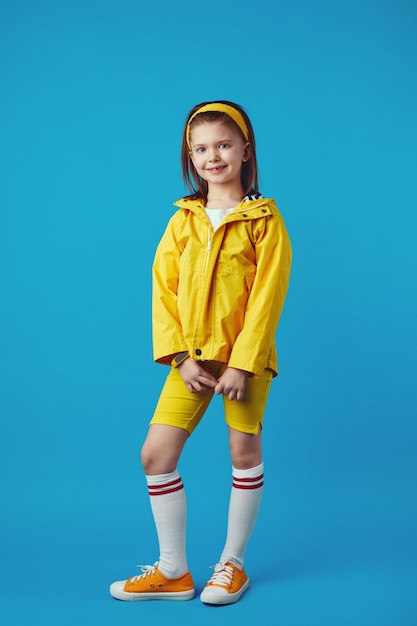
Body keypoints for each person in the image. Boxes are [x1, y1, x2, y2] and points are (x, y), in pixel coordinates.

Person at [110, 100, 292, 605]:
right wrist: (181, 358)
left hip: (243, 363)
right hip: (190, 361)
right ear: (191, 157)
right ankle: (173, 571)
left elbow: (266, 299)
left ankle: (231, 564)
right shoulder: (182, 222)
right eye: (202, 149)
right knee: (155, 455)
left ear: (245, 150)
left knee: (243, 452)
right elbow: (162, 292)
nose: (214, 157)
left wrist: (242, 363)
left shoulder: (264, 221)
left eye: (224, 145)